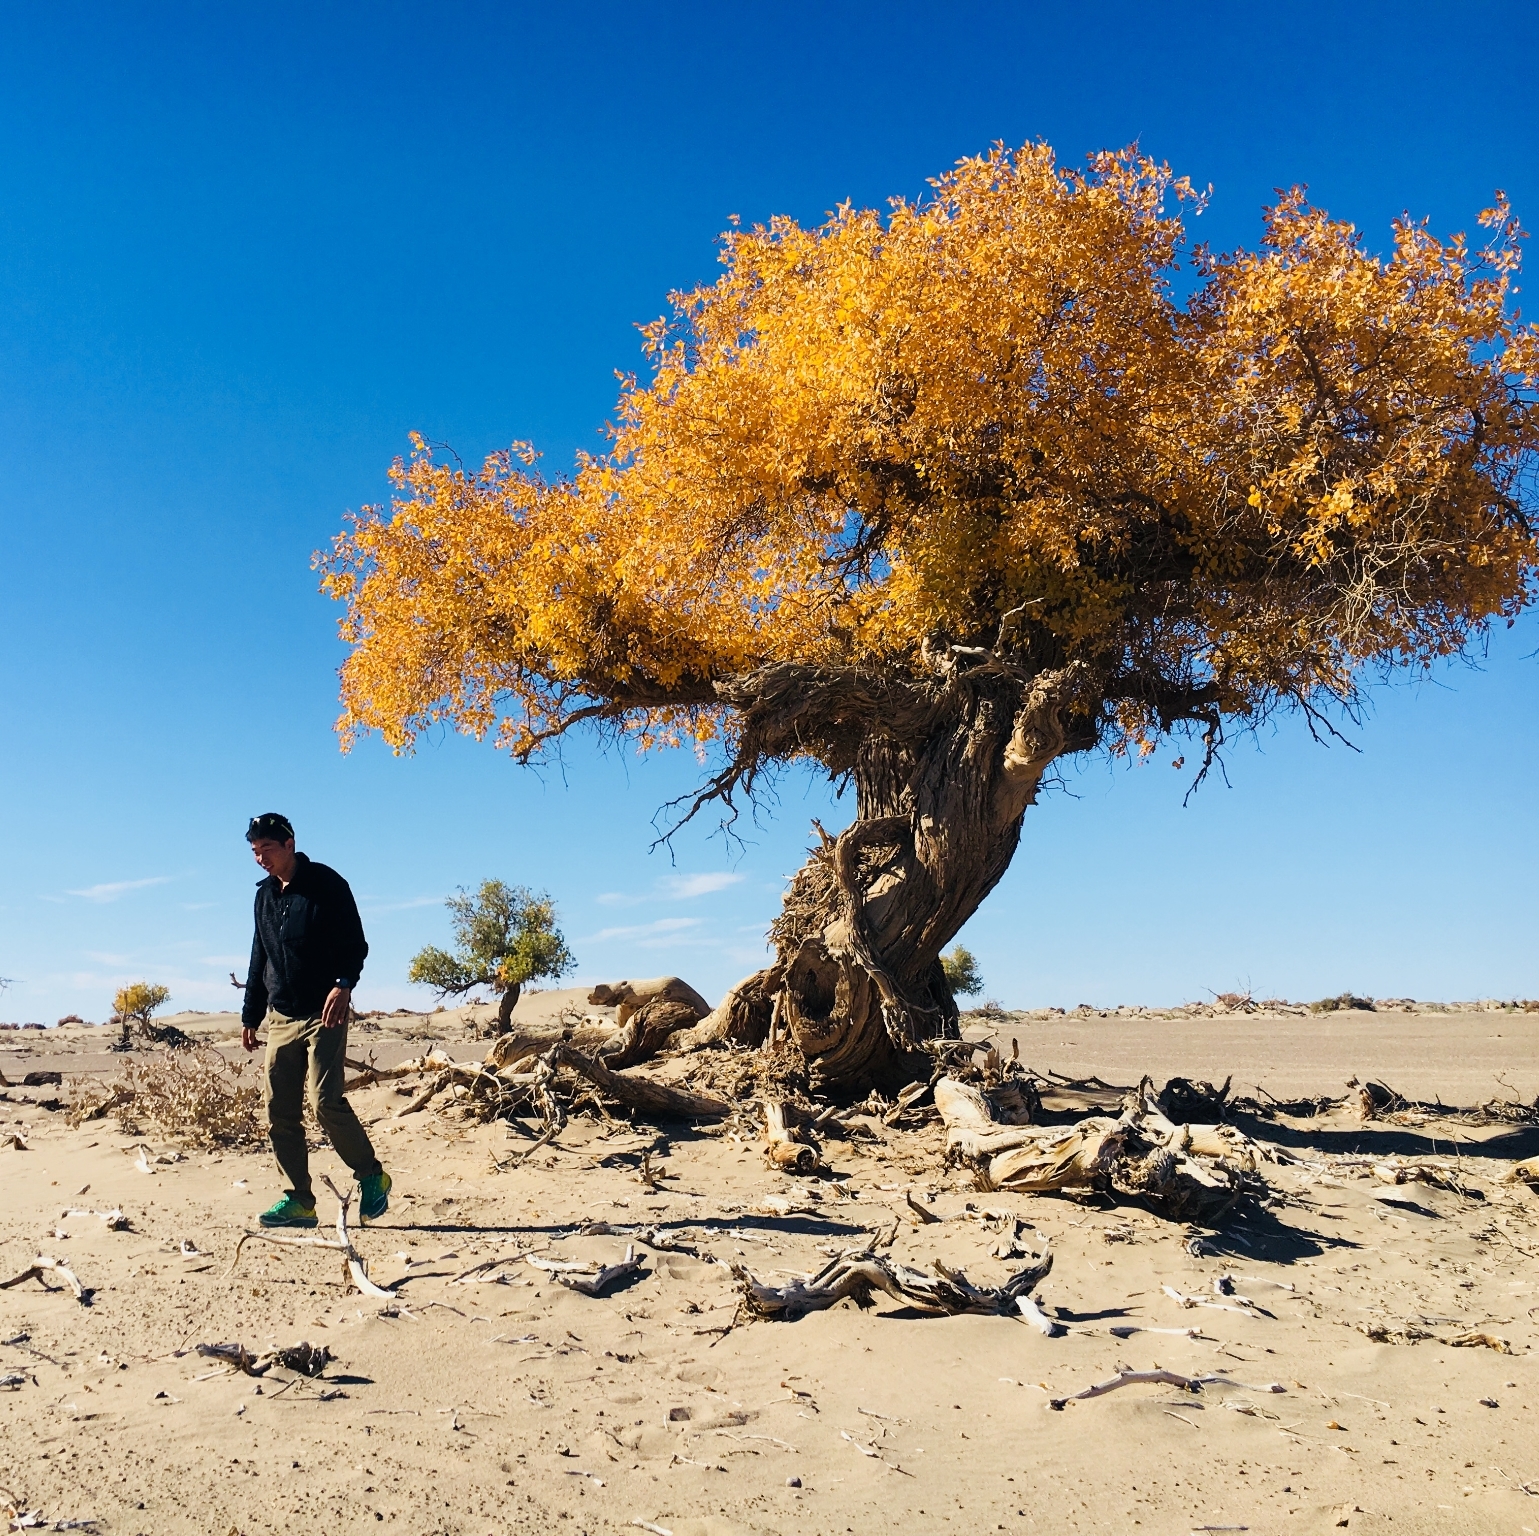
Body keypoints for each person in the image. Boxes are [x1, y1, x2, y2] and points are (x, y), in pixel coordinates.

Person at [240, 812, 391, 1228]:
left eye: (267, 849)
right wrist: (251, 1013)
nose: (260, 859)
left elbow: (355, 943)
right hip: (281, 1015)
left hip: (325, 1010)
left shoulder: (327, 884)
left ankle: (371, 1175)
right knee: (279, 1110)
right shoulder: (264, 897)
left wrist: (344, 984)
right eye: (255, 852)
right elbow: (260, 957)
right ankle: (299, 1200)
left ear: (289, 844)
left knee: (324, 1101)